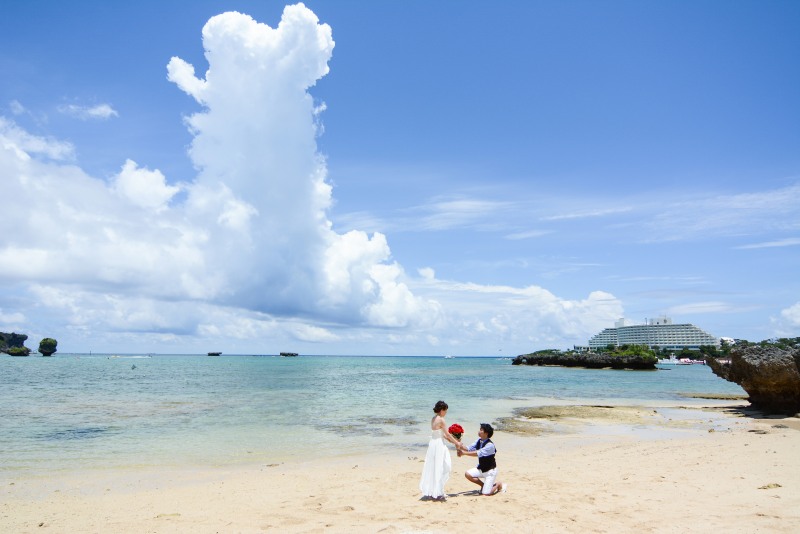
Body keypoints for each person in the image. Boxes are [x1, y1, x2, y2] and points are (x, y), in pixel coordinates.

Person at [419, 400, 461, 501]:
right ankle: (438, 492)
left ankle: (434, 491)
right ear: (441, 410)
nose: (446, 412)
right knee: (444, 466)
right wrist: (456, 442)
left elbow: (439, 433)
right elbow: (446, 434)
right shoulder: (441, 420)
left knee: (434, 467)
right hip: (439, 445)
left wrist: (451, 441)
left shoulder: (433, 419)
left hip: (433, 443)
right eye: (445, 410)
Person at [457, 423, 506, 496]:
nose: (479, 431)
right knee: (468, 474)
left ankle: (498, 484)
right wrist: (457, 442)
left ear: (486, 433)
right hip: (481, 469)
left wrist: (463, 453)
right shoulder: (479, 441)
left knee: (486, 493)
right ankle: (483, 485)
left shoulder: (490, 445)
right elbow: (468, 448)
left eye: (481, 430)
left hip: (490, 471)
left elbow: (477, 453)